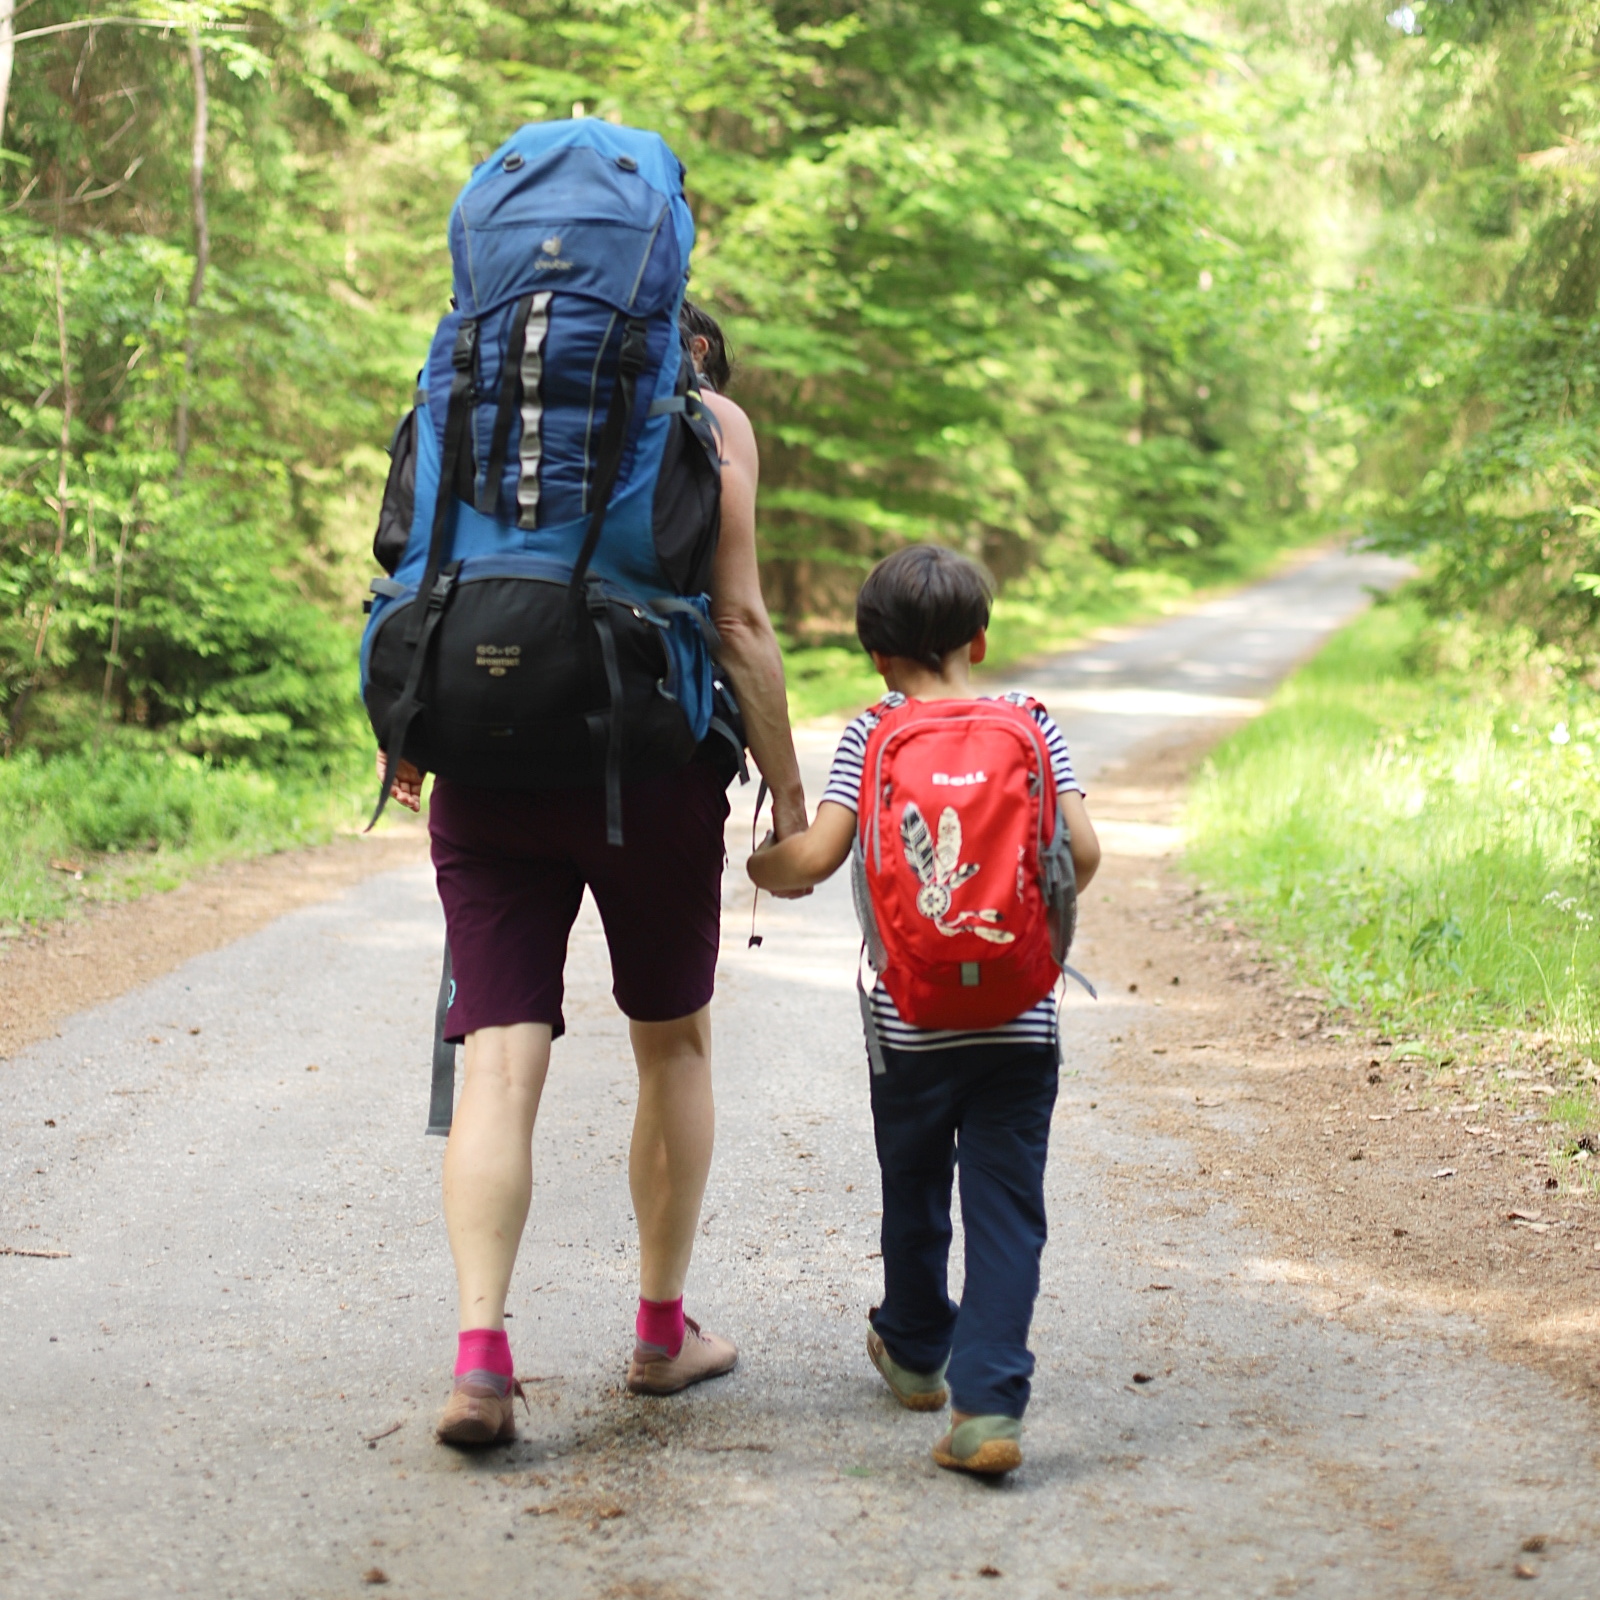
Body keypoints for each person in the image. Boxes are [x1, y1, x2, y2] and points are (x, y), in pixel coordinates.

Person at [381, 302, 808, 1447]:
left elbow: (415, 571)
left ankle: (479, 1358)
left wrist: (408, 739)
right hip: (650, 773)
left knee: (496, 1064)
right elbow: (739, 619)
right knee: (672, 1040)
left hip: (482, 764)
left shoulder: (461, 406)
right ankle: (662, 1335)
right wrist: (789, 794)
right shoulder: (710, 423)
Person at [745, 544, 1100, 1476]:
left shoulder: (870, 734)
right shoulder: (1030, 721)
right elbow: (1086, 849)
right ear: (979, 639)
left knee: (914, 1190)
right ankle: (989, 1410)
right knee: (1007, 1208)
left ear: (874, 656)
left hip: (906, 1023)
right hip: (1022, 1016)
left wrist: (758, 869)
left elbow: (816, 859)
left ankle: (912, 1348)